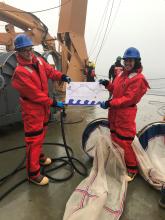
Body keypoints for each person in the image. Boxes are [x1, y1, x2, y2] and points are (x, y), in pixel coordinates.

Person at [12, 34, 71, 186]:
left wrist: (62, 76)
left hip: (43, 108)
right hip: (32, 110)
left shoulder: (38, 60)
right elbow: (35, 95)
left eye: (30, 49)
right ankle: (33, 174)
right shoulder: (20, 72)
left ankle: (39, 157)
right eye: (24, 50)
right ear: (18, 52)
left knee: (42, 133)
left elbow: (50, 72)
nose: (28, 53)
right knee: (34, 139)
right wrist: (53, 102)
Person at [99, 47, 150, 181]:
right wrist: (107, 84)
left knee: (124, 142)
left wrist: (110, 103)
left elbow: (128, 99)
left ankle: (132, 169)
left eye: (130, 61)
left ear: (136, 62)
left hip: (125, 115)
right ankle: (121, 162)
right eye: (126, 60)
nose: (127, 63)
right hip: (114, 114)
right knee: (114, 137)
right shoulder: (121, 74)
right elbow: (115, 89)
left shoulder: (139, 79)